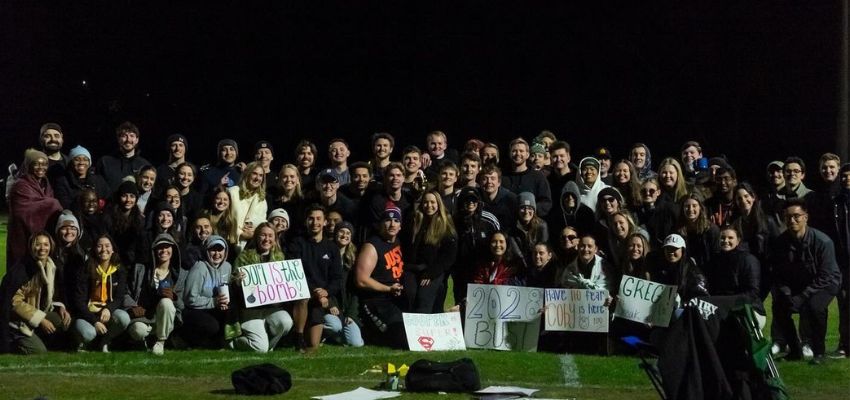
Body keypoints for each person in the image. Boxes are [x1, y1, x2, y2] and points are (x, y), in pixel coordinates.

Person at [770, 199, 841, 364]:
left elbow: (826, 275)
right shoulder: (780, 243)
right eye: (788, 217)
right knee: (780, 305)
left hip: (826, 282)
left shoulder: (823, 242)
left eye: (797, 216)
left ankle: (819, 352)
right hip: (798, 282)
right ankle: (794, 350)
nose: (792, 220)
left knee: (815, 307)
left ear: (806, 217)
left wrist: (802, 297)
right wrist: (786, 292)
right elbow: (778, 273)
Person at [0, 232, 72, 354]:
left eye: (46, 244)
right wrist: (40, 319)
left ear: (51, 246)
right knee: (39, 351)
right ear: (31, 247)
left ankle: (42, 338)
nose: (43, 248)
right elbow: (14, 302)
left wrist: (61, 307)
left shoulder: (50, 266)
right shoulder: (22, 270)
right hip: (17, 321)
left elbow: (54, 294)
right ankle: (14, 341)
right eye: (38, 245)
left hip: (36, 313)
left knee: (63, 322)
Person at [286, 205, 344, 351]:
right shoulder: (297, 243)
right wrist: (315, 291)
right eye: (311, 219)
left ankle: (312, 335)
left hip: (321, 298)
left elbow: (337, 278)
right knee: (303, 298)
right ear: (306, 221)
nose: (315, 222)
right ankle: (298, 337)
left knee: (313, 345)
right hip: (302, 294)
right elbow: (294, 273)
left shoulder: (332, 248)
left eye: (319, 219)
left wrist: (326, 292)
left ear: (325, 222)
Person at [230, 223, 294, 353]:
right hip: (250, 311)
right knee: (259, 349)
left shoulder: (280, 258)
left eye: (270, 236)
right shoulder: (244, 257)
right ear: (256, 238)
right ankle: (235, 342)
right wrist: (238, 282)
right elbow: (233, 283)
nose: (266, 239)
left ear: (275, 239)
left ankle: (269, 345)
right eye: (263, 235)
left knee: (286, 322)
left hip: (272, 309)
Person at [355, 203, 408, 349]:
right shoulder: (372, 246)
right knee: (401, 339)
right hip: (376, 302)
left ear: (400, 226)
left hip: (396, 301)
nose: (392, 224)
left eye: (396, 221)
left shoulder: (399, 243)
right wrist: (388, 289)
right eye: (388, 220)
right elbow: (361, 280)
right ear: (380, 224)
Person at [71, 234, 131, 352]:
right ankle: (84, 343)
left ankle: (105, 341)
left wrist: (109, 308)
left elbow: (119, 297)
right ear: (94, 249)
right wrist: (95, 321)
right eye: (99, 246)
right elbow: (79, 301)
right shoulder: (86, 269)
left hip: (106, 312)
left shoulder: (119, 270)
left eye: (107, 246)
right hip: (88, 313)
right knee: (89, 333)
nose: (104, 249)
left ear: (113, 249)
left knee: (123, 318)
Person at [124, 233, 182, 355]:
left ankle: (161, 342)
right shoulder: (140, 269)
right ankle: (143, 342)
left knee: (166, 302)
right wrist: (132, 307)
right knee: (137, 330)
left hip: (166, 320)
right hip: (144, 317)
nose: (164, 250)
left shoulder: (180, 274)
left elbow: (183, 304)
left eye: (167, 247)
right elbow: (126, 292)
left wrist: (174, 298)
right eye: (160, 247)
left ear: (173, 249)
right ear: (154, 251)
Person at [7, 149, 63, 271]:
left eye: (44, 164)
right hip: (22, 237)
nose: (41, 167)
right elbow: (21, 212)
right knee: (22, 276)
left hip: (43, 238)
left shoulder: (46, 184)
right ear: (28, 165)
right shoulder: (20, 185)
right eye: (36, 164)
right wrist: (52, 205)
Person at [404, 189, 458, 313]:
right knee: (409, 297)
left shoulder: (445, 224)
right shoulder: (415, 220)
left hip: (433, 270)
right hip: (412, 269)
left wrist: (431, 273)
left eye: (433, 202)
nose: (429, 205)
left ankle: (423, 331)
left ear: (438, 204)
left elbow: (449, 255)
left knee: (424, 300)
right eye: (426, 202)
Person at [705, 226, 765, 326]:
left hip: (749, 310)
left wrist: (723, 302)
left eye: (730, 238)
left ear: (738, 241)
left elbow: (752, 293)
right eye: (723, 238)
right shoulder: (715, 260)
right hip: (720, 308)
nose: (726, 241)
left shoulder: (748, 260)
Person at [180, 235, 233, 348]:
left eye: (220, 249)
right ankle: (184, 338)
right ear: (206, 250)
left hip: (215, 307)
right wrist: (214, 302)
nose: (217, 253)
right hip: (195, 309)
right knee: (211, 326)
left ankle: (218, 342)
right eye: (213, 249)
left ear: (225, 251)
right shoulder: (199, 268)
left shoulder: (227, 267)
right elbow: (190, 299)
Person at [452, 187, 501, 307]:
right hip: (461, 272)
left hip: (484, 271)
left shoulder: (489, 220)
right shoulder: (453, 221)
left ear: (479, 202)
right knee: (463, 304)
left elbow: (499, 241)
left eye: (473, 200)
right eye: (467, 200)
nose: (470, 203)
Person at [325, 222, 365, 347]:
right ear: (335, 233)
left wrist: (351, 314)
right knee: (334, 326)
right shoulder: (326, 254)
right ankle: (324, 334)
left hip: (347, 309)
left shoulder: (354, 259)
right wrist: (330, 304)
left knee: (356, 343)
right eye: (341, 232)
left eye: (348, 233)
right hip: (330, 307)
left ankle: (337, 338)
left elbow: (356, 291)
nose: (344, 235)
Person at [501, 138, 553, 217]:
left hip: (531, 224)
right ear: (509, 153)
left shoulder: (538, 177)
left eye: (521, 151)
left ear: (527, 154)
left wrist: (530, 214)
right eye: (514, 151)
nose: (518, 154)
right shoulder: (502, 176)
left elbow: (546, 202)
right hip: (507, 223)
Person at [95, 121, 152, 193]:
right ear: (118, 139)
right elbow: (97, 188)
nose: (128, 140)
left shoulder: (145, 165)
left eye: (132, 136)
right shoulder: (104, 162)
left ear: (137, 140)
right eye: (124, 136)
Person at [651, 234, 709, 304]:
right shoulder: (660, 268)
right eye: (668, 248)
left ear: (683, 251)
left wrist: (684, 303)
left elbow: (703, 299)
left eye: (674, 249)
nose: (671, 252)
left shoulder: (694, 275)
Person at [831, 163, 850, 357]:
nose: (846, 179)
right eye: (843, 176)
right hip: (843, 261)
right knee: (844, 305)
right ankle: (844, 345)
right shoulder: (836, 202)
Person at [103, 180, 146, 266]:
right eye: (124, 196)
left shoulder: (140, 219)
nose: (128, 200)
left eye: (132, 196)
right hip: (111, 260)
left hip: (132, 263)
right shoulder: (108, 217)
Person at [54, 145, 110, 210]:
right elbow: (65, 204)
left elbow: (108, 199)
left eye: (85, 159)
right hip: (75, 216)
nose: (81, 163)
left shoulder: (98, 180)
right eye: (77, 160)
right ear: (71, 163)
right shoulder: (63, 181)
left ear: (89, 163)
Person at [228, 161, 269, 251]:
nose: (257, 178)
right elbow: (224, 220)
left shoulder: (262, 200)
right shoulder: (232, 192)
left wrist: (254, 233)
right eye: (254, 174)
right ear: (247, 174)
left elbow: (262, 225)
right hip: (229, 243)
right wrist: (241, 233)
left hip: (251, 246)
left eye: (261, 175)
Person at [676, 193, 719, 269]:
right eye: (687, 206)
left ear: (700, 208)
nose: (690, 209)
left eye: (694, 206)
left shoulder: (711, 230)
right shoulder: (678, 229)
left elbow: (716, 255)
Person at [511, 192, 549, 268]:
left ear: (534, 210)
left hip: (538, 263)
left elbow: (543, 248)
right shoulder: (512, 227)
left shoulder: (542, 226)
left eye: (529, 208)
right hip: (519, 265)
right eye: (522, 208)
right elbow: (516, 252)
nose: (526, 212)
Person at [479, 164, 519, 229]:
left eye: (493, 178)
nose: (489, 182)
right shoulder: (476, 198)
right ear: (480, 182)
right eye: (485, 179)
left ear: (499, 182)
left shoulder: (511, 199)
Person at [206, 186, 239, 250]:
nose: (221, 202)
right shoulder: (205, 216)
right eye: (218, 198)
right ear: (213, 199)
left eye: (225, 199)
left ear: (229, 202)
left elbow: (232, 244)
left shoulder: (232, 221)